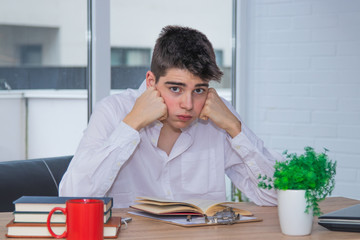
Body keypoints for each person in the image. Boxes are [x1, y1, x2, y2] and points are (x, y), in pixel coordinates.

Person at [59, 25, 282, 208]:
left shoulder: (217, 115)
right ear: (150, 83)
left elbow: (274, 198)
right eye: (176, 88)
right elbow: (72, 197)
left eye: (199, 90)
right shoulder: (112, 111)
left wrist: (235, 128)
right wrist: (132, 124)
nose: (188, 105)